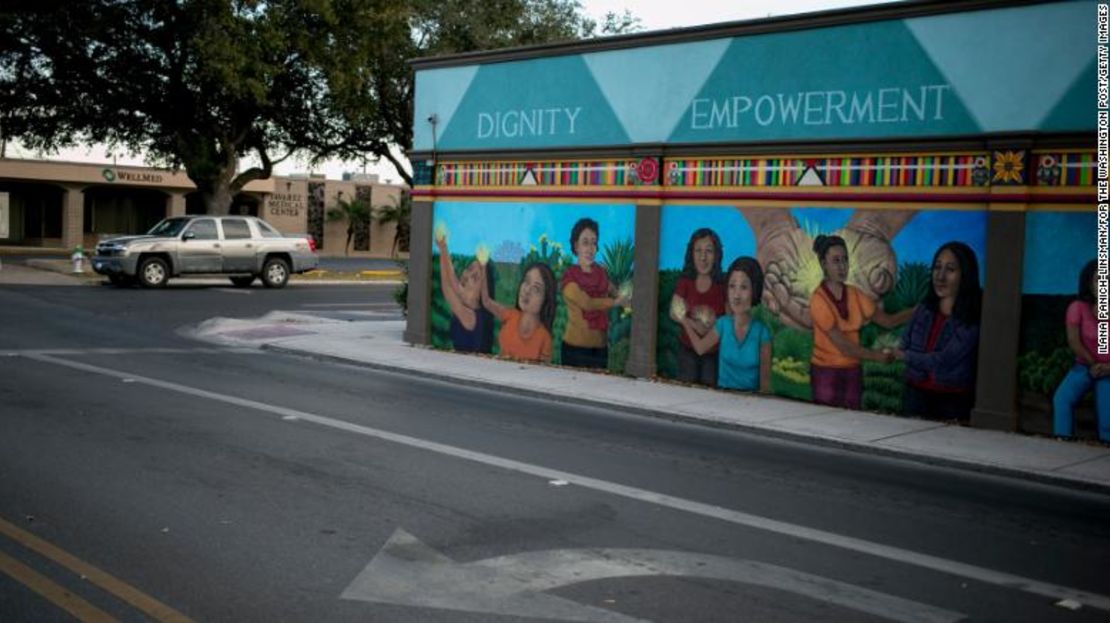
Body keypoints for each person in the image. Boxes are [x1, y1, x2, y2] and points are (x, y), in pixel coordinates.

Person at [809, 234, 913, 409]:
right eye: (836, 261)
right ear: (823, 264)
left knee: (851, 422)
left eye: (845, 260)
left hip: (852, 371)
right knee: (826, 422)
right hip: (826, 372)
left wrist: (917, 310)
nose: (842, 266)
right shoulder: (818, 299)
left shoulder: (855, 294)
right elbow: (844, 346)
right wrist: (877, 356)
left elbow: (888, 321)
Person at [892, 242, 981, 421]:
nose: (940, 277)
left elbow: (944, 360)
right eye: (937, 267)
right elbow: (905, 341)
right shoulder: (924, 309)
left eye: (950, 269)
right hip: (915, 392)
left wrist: (905, 356)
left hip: (951, 398)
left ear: (965, 275)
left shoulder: (970, 319)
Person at [682, 257, 772, 393]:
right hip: (723, 397)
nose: (736, 295)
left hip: (751, 401)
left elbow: (765, 384)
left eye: (744, 287)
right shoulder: (723, 324)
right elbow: (700, 348)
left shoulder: (761, 333)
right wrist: (685, 321)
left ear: (754, 289)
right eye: (732, 286)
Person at [1051, 259, 1110, 442]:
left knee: (1106, 409)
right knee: (1062, 399)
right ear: (1089, 283)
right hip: (1085, 365)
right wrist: (1093, 364)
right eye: (1098, 279)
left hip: (1109, 370)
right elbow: (1074, 341)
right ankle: (1063, 440)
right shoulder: (1078, 308)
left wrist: (1107, 368)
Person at [560, 218, 625, 369]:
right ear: (576, 246)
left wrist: (627, 296)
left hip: (600, 350)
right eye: (585, 242)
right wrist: (615, 302)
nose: (590, 248)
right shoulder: (570, 278)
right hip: (575, 350)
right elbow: (587, 303)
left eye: (594, 242)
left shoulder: (601, 273)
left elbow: (615, 291)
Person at [670, 228, 726, 386]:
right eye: (698, 251)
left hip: (713, 353)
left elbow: (727, 318)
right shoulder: (685, 282)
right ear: (691, 254)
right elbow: (674, 311)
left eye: (709, 251)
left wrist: (708, 328)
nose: (703, 257)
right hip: (687, 350)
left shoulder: (722, 285)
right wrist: (694, 325)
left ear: (716, 255)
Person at [480, 261, 556, 362]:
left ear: (546, 299)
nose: (527, 290)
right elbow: (486, 301)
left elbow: (543, 373)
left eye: (536, 288)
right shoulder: (510, 315)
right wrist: (483, 266)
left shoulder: (544, 338)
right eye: (526, 281)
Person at [435, 233, 494, 353]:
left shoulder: (471, 317)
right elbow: (452, 281)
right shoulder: (467, 302)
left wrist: (443, 250)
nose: (468, 276)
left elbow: (448, 288)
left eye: (475, 277)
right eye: (469, 269)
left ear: (482, 292)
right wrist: (443, 247)